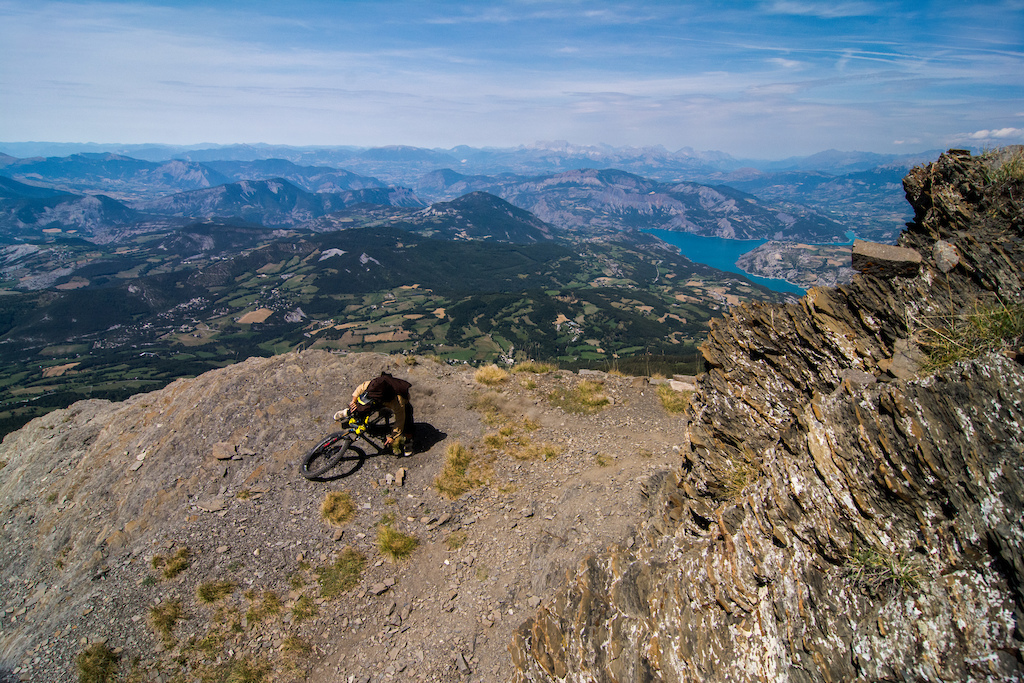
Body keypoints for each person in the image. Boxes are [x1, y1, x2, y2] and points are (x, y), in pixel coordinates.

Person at [334, 371, 415, 456]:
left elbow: (400, 421)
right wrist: (353, 401)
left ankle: (408, 441)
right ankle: (348, 412)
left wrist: (393, 436)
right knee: (365, 404)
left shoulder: (398, 401)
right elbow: (360, 388)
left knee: (407, 419)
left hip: (395, 399)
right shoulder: (373, 384)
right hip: (379, 398)